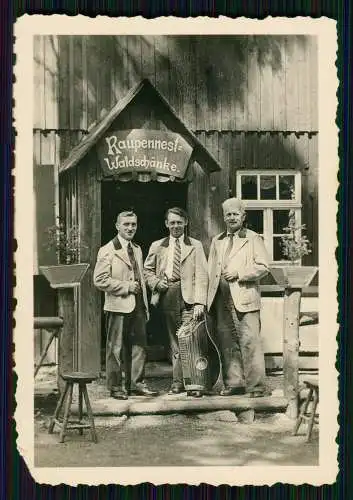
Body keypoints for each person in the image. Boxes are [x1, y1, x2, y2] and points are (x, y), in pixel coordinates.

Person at [207, 198, 270, 397]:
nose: (232, 217)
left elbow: (263, 267)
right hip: (221, 299)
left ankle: (256, 387)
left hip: (245, 297)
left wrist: (239, 273)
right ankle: (234, 383)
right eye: (228, 214)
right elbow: (211, 270)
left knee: (250, 341)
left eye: (236, 214)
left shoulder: (252, 238)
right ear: (224, 217)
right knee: (227, 341)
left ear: (243, 216)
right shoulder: (217, 240)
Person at [144, 207, 208, 396]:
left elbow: (202, 274)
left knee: (191, 338)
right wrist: (156, 283)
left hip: (190, 295)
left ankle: (195, 384)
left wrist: (200, 302)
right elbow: (147, 271)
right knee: (174, 340)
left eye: (179, 222)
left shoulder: (195, 245)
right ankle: (178, 382)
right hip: (168, 294)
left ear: (186, 223)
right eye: (172, 222)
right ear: (166, 224)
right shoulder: (158, 246)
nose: (176, 226)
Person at [93, 210, 157, 400]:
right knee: (116, 348)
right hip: (118, 305)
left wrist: (144, 305)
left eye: (133, 225)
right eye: (126, 224)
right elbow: (100, 280)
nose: (130, 228)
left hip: (137, 305)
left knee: (139, 346)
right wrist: (126, 286)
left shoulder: (137, 248)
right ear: (117, 226)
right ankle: (116, 387)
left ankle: (136, 383)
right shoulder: (107, 250)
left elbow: (141, 277)